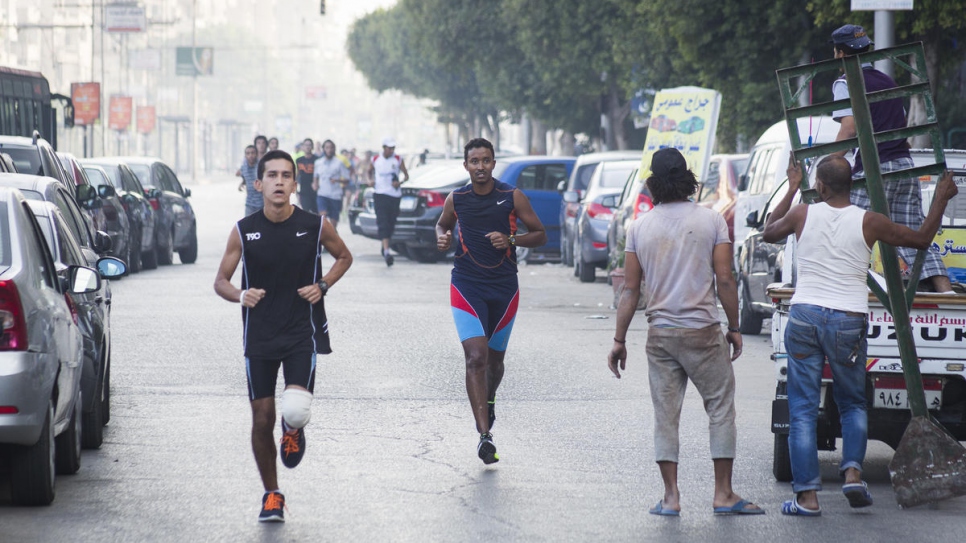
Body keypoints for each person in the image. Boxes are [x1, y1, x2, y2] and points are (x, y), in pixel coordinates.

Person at [763, 155, 957, 516]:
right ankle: (853, 473)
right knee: (852, 403)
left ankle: (806, 497)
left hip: (804, 317)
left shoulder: (803, 213)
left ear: (819, 186)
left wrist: (791, 186)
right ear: (852, 185)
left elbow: (768, 231)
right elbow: (920, 240)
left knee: (803, 411)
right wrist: (941, 198)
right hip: (847, 321)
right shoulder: (870, 221)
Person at [607, 148, 764, 517]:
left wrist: (618, 340)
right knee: (721, 409)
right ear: (689, 179)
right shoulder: (711, 221)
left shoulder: (640, 227)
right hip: (703, 332)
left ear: (653, 183)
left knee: (666, 415)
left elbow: (630, 290)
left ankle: (671, 497)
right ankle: (723, 494)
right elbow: (725, 279)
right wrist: (736, 327)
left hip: (660, 334)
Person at [214, 149, 353, 523]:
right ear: (258, 184)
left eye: (285, 176)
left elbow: (344, 257)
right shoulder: (244, 230)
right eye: (271, 175)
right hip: (258, 337)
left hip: (298, 334)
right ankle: (272, 495)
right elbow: (221, 281)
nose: (278, 181)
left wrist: (322, 285)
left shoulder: (315, 224)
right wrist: (242, 295)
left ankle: (292, 428)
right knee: (261, 419)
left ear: (295, 184)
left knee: (292, 410)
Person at [435, 137, 546, 465]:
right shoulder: (457, 198)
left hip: (504, 288)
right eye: (474, 161)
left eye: (486, 160)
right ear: (465, 165)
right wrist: (441, 236)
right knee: (475, 357)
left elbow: (540, 234)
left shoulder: (511, 196)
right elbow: (443, 223)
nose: (480, 166)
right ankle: (484, 435)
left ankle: (490, 397)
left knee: (495, 362)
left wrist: (512, 239)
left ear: (493, 163)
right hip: (467, 286)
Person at [829, 24, 952, 293]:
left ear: (839, 54)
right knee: (912, 236)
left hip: (876, 170)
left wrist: (825, 165)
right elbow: (903, 129)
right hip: (904, 167)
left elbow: (849, 129)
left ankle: (840, 290)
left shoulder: (844, 82)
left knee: (844, 227)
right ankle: (947, 293)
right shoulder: (887, 81)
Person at [369, 137, 409, 266]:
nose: (391, 150)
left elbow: (406, 175)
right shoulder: (376, 159)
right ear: (384, 148)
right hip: (380, 194)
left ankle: (384, 243)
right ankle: (387, 252)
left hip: (394, 195)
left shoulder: (397, 159)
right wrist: (370, 180)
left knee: (391, 222)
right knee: (383, 221)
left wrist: (399, 182)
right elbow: (368, 172)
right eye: (389, 148)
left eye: (393, 148)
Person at [313, 139, 351, 228]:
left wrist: (337, 180)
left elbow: (347, 179)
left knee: (333, 227)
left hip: (335, 196)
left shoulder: (339, 163)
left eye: (331, 148)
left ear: (334, 149)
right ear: (323, 149)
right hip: (322, 195)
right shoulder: (318, 163)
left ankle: (333, 238)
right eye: (327, 148)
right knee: (323, 219)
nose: (329, 150)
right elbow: (315, 175)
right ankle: (322, 239)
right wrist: (315, 184)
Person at [236, 144, 260, 216]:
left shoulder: (261, 166)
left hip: (262, 204)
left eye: (253, 153)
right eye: (248, 153)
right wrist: (242, 183)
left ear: (256, 154)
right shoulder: (244, 167)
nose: (250, 155)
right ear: (245, 155)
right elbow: (241, 175)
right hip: (249, 204)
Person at [295, 138, 318, 214]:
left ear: (312, 147)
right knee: (305, 212)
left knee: (316, 213)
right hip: (303, 191)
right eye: (306, 145)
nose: (308, 147)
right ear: (303, 147)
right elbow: (297, 174)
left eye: (309, 145)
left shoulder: (317, 160)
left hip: (315, 191)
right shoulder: (299, 160)